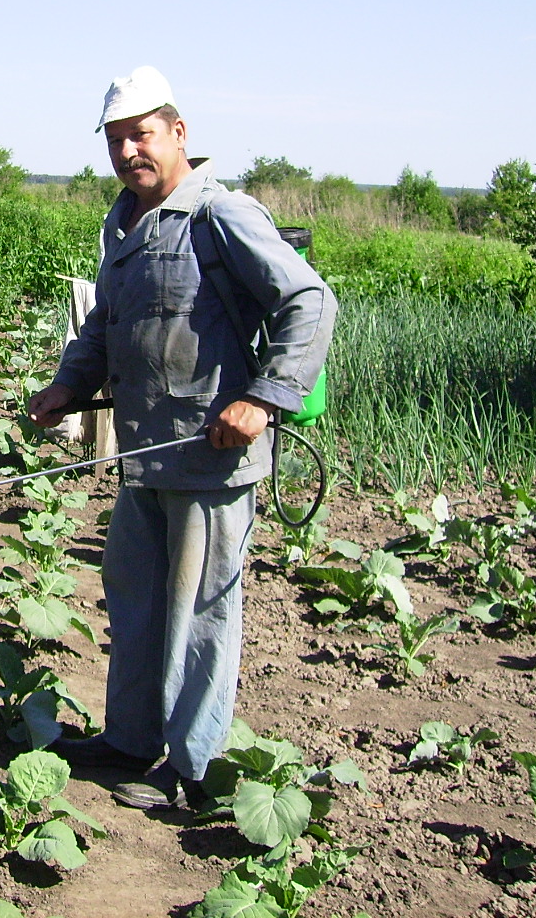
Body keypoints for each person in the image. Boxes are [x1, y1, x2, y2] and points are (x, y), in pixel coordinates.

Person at [26, 65, 336, 809]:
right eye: (115, 140)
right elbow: (106, 319)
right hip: (142, 456)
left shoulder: (221, 215)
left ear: (178, 134)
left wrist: (263, 399)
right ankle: (130, 740)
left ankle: (193, 773)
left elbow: (308, 301)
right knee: (133, 601)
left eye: (141, 134)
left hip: (210, 457)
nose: (129, 151)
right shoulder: (124, 222)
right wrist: (67, 384)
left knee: (200, 616)